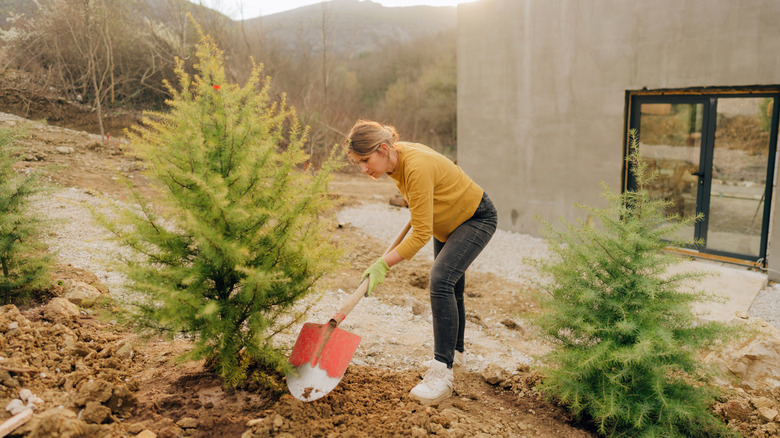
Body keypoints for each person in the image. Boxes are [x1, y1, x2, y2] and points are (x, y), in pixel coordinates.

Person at [344, 119, 498, 404]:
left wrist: (384, 263)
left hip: (474, 218)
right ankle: (456, 354)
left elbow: (420, 235)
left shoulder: (415, 166)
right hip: (448, 220)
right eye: (358, 164)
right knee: (451, 287)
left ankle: (442, 373)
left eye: (365, 160)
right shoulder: (395, 162)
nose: (364, 169)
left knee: (440, 280)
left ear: (384, 148)